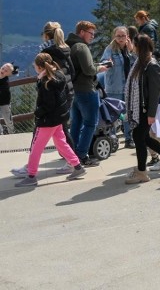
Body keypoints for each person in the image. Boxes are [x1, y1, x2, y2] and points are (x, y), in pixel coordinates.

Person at [14, 53, 86, 187]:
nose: (34, 67)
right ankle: (77, 167)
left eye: (35, 66)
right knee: (61, 143)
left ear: (40, 67)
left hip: (47, 120)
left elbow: (48, 104)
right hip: (58, 118)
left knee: (36, 148)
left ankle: (31, 176)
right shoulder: (58, 75)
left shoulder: (46, 81)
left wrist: (37, 113)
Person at [124, 35, 160, 184]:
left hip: (145, 109)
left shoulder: (151, 65)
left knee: (139, 138)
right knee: (144, 138)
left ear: (139, 47)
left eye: (133, 44)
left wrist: (151, 114)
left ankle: (141, 172)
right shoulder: (140, 63)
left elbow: (154, 93)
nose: (132, 47)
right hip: (138, 108)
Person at [67, 20, 108, 167]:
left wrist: (95, 66)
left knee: (76, 123)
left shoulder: (69, 46)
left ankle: (71, 154)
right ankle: (82, 155)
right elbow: (89, 70)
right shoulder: (81, 47)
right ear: (82, 32)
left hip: (73, 91)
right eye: (91, 34)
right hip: (86, 89)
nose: (92, 37)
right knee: (91, 123)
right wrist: (100, 68)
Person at [101, 26, 135, 148]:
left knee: (127, 114)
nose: (120, 38)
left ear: (127, 37)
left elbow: (138, 63)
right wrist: (108, 63)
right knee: (113, 115)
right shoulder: (110, 49)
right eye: (118, 36)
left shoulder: (129, 50)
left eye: (123, 36)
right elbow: (103, 63)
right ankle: (113, 140)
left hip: (127, 87)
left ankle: (128, 139)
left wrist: (132, 51)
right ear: (114, 37)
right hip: (113, 87)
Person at [0, 62, 13, 135]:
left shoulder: (5, 82)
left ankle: (12, 135)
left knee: (8, 120)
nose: (3, 70)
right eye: (3, 68)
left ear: (8, 74)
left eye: (6, 71)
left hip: (5, 103)